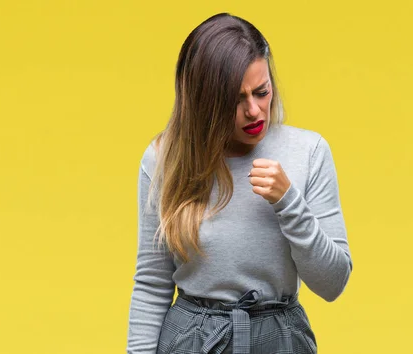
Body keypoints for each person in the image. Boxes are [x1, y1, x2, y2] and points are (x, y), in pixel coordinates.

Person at [126, 13, 353, 354]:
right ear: (205, 104)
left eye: (262, 92)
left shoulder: (308, 152)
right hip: (191, 340)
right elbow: (151, 284)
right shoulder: (164, 159)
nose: (254, 110)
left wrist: (289, 203)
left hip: (281, 339)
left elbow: (333, 283)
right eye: (235, 100)